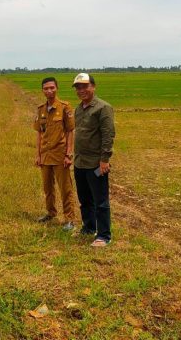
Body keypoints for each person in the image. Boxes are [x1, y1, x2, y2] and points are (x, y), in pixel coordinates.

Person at [72, 73, 116, 247]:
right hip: (80, 162)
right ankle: (89, 227)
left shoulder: (103, 108)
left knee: (101, 201)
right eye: (78, 87)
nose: (81, 90)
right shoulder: (79, 108)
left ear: (93, 87)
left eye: (85, 86)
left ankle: (104, 235)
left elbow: (108, 135)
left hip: (96, 163)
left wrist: (104, 160)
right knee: (85, 199)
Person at [33, 77, 76, 231]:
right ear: (42, 90)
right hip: (45, 154)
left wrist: (69, 154)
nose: (49, 91)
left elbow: (70, 131)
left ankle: (69, 219)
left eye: (52, 87)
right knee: (47, 188)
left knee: (65, 188)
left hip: (60, 155)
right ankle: (50, 213)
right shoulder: (41, 109)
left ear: (57, 88)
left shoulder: (65, 107)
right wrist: (38, 154)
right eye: (46, 88)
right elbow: (39, 133)